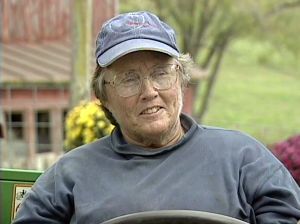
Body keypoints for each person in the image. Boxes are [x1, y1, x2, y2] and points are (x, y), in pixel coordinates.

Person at [13, 11, 300, 224]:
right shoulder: (69, 175)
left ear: (181, 81)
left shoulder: (244, 158)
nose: (149, 91)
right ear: (104, 98)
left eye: (161, 73)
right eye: (129, 79)